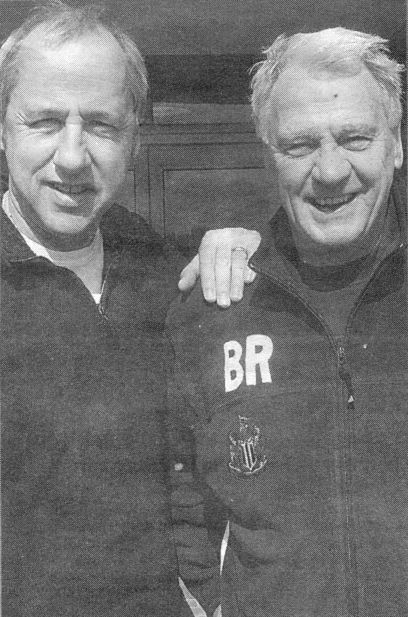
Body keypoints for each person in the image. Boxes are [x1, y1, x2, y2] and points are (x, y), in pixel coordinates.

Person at [0, 3, 260, 616]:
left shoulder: (170, 272)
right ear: (2, 129)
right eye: (45, 122)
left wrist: (257, 256)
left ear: (135, 139)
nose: (72, 157)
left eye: (101, 126)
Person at [167, 27, 407, 617]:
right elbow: (181, 505)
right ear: (268, 156)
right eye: (300, 145)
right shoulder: (211, 310)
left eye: (355, 138)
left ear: (397, 144)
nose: (330, 170)